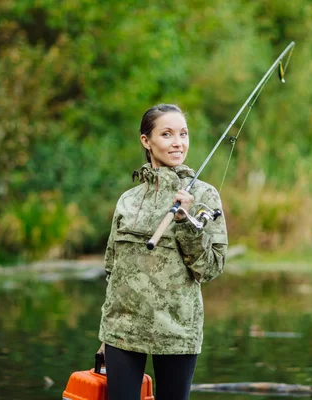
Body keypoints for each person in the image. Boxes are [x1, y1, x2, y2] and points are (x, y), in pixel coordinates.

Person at [97, 104, 228, 400]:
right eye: (166, 134)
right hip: (122, 331)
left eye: (183, 134)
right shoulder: (128, 200)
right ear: (146, 141)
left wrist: (186, 222)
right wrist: (104, 337)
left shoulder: (204, 195)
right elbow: (112, 270)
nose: (178, 142)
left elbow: (210, 268)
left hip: (177, 331)